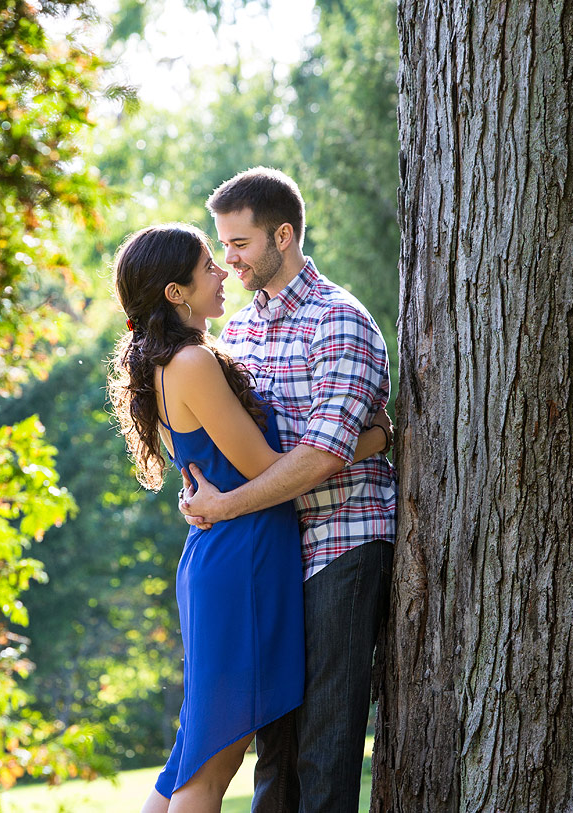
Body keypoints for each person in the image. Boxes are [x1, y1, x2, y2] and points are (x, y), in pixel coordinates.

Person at [107, 223, 392, 813]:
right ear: (175, 293)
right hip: (243, 561)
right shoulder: (191, 362)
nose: (222, 272)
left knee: (194, 757)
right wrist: (374, 440)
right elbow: (267, 466)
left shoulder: (175, 359)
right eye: (208, 264)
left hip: (234, 554)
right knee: (212, 767)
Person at [179, 167, 397, 813]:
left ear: (283, 234)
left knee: (324, 747)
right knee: (274, 751)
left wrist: (224, 505)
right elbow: (234, 444)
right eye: (223, 244)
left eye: (239, 243)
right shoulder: (238, 333)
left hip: (342, 544)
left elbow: (323, 455)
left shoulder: (340, 320)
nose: (228, 259)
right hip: (271, 557)